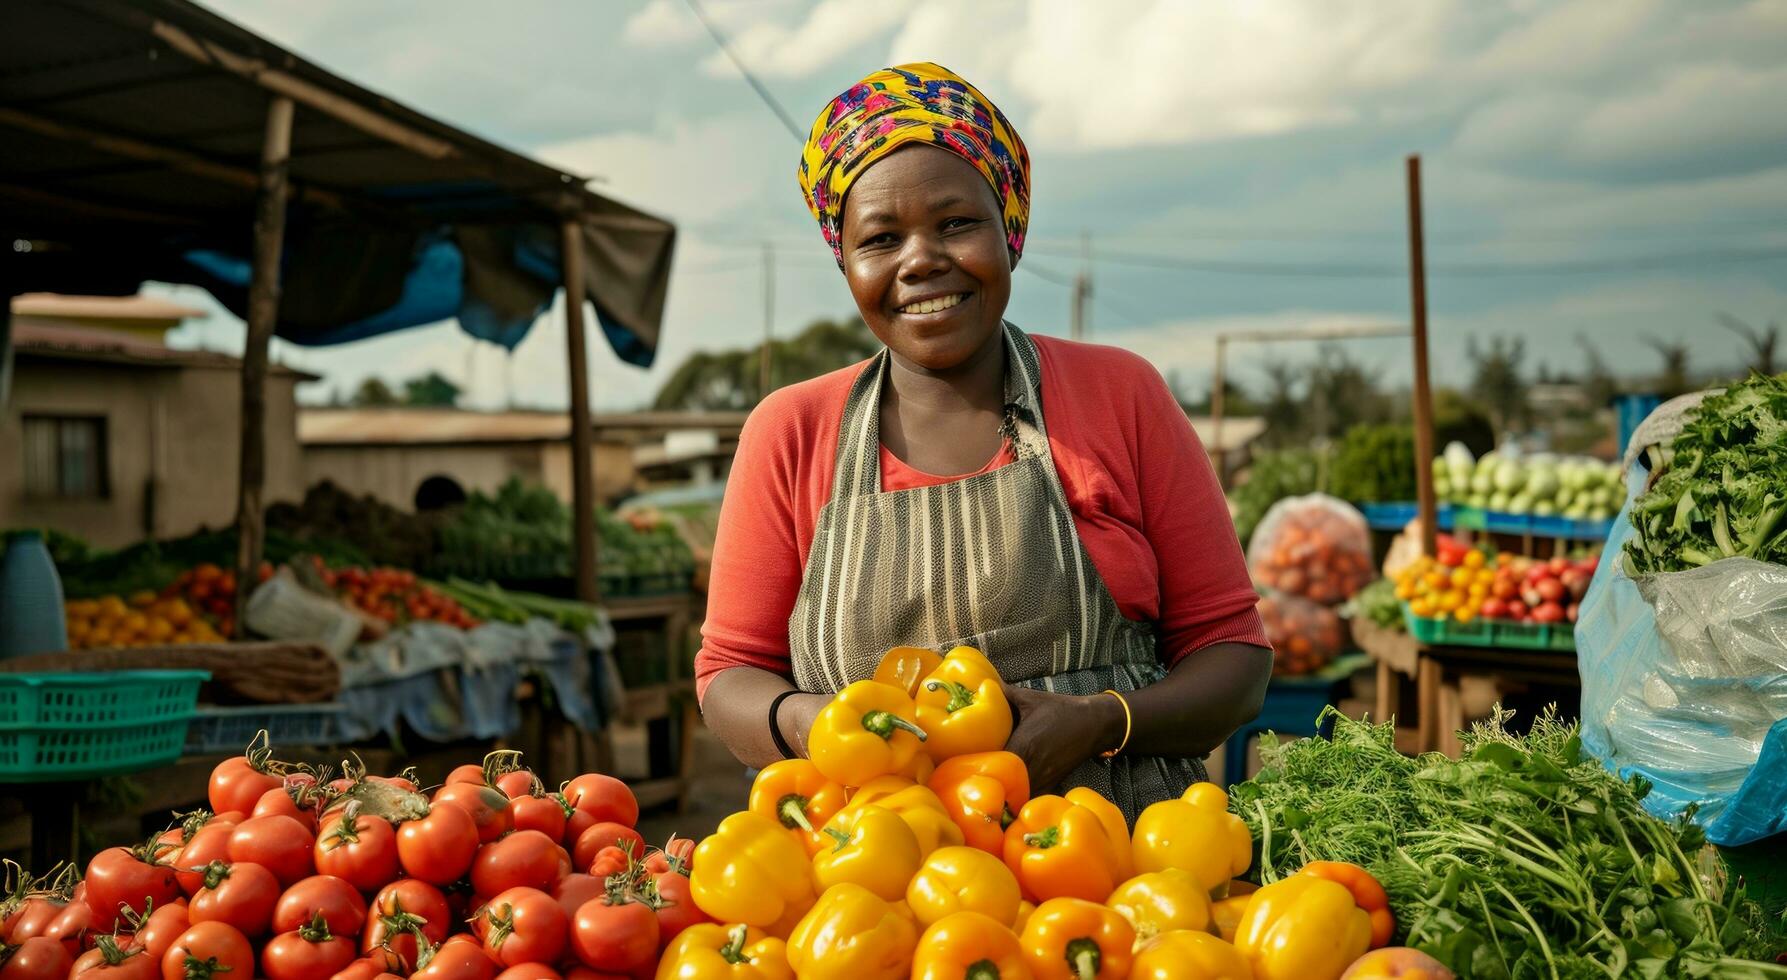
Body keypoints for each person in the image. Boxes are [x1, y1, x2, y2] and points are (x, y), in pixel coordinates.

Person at [694, 63, 1272, 820]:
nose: (920, 259)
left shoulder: (1118, 395)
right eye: (880, 238)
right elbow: (729, 673)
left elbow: (1233, 657)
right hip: (863, 875)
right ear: (847, 261)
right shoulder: (792, 430)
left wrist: (1104, 720)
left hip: (1119, 865)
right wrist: (816, 724)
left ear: (1011, 231)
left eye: (956, 223)